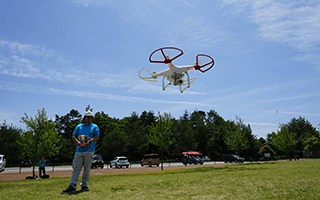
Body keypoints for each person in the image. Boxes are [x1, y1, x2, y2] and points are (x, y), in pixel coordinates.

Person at [62, 110, 100, 194]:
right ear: (84, 117)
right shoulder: (79, 126)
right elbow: (74, 136)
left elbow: (97, 136)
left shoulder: (95, 127)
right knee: (76, 168)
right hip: (79, 150)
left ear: (92, 118)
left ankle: (84, 185)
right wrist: (78, 142)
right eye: (87, 117)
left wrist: (90, 141)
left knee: (87, 168)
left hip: (90, 150)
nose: (88, 118)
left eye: (90, 117)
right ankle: (72, 186)